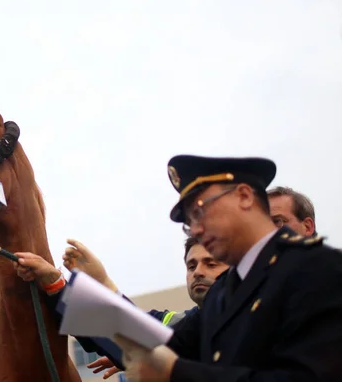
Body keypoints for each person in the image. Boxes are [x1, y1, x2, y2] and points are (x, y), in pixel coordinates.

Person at [112, 154, 342, 381]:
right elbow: (168, 344)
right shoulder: (224, 289)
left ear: (244, 196)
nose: (196, 230)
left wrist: (177, 372)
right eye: (189, 223)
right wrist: (102, 290)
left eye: (200, 211)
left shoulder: (317, 268)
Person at [13, 237, 229, 379]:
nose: (198, 272)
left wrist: (59, 283)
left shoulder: (244, 317)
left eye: (211, 264)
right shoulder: (186, 322)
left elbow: (145, 342)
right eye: (192, 266)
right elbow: (133, 328)